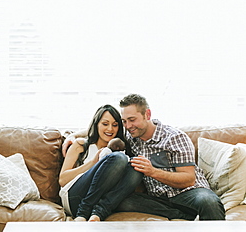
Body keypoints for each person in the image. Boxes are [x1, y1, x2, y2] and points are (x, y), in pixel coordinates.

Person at [62, 94, 225, 220]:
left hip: (188, 193)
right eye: (124, 121)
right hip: (155, 198)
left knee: (208, 201)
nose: (128, 126)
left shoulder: (175, 138)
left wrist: (153, 172)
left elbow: (188, 179)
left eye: (132, 120)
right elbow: (104, 131)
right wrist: (70, 137)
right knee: (117, 200)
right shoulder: (130, 137)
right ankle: (185, 216)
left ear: (147, 114)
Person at [59, 104, 143, 222]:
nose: (110, 129)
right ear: (96, 124)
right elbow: (62, 180)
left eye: (115, 125)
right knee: (118, 158)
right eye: (105, 124)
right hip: (75, 197)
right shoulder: (81, 145)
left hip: (101, 201)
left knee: (136, 167)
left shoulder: (121, 149)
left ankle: (98, 213)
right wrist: (93, 163)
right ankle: (83, 213)